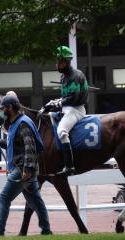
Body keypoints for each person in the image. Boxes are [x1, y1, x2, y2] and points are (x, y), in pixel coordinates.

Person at [0, 95, 52, 236]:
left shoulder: (22, 123)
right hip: (24, 167)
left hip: (22, 169)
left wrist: (28, 169)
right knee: (35, 200)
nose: (2, 112)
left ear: (10, 108)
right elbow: (17, 146)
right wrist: (0, 142)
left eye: (3, 108)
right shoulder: (15, 123)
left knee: (4, 198)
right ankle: (46, 230)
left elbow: (30, 147)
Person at [40, 45, 89, 176]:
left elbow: (74, 98)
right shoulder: (64, 76)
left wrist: (58, 103)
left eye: (59, 62)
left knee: (61, 131)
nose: (56, 64)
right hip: (67, 108)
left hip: (76, 110)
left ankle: (69, 165)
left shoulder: (75, 76)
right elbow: (65, 97)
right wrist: (53, 103)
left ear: (66, 62)